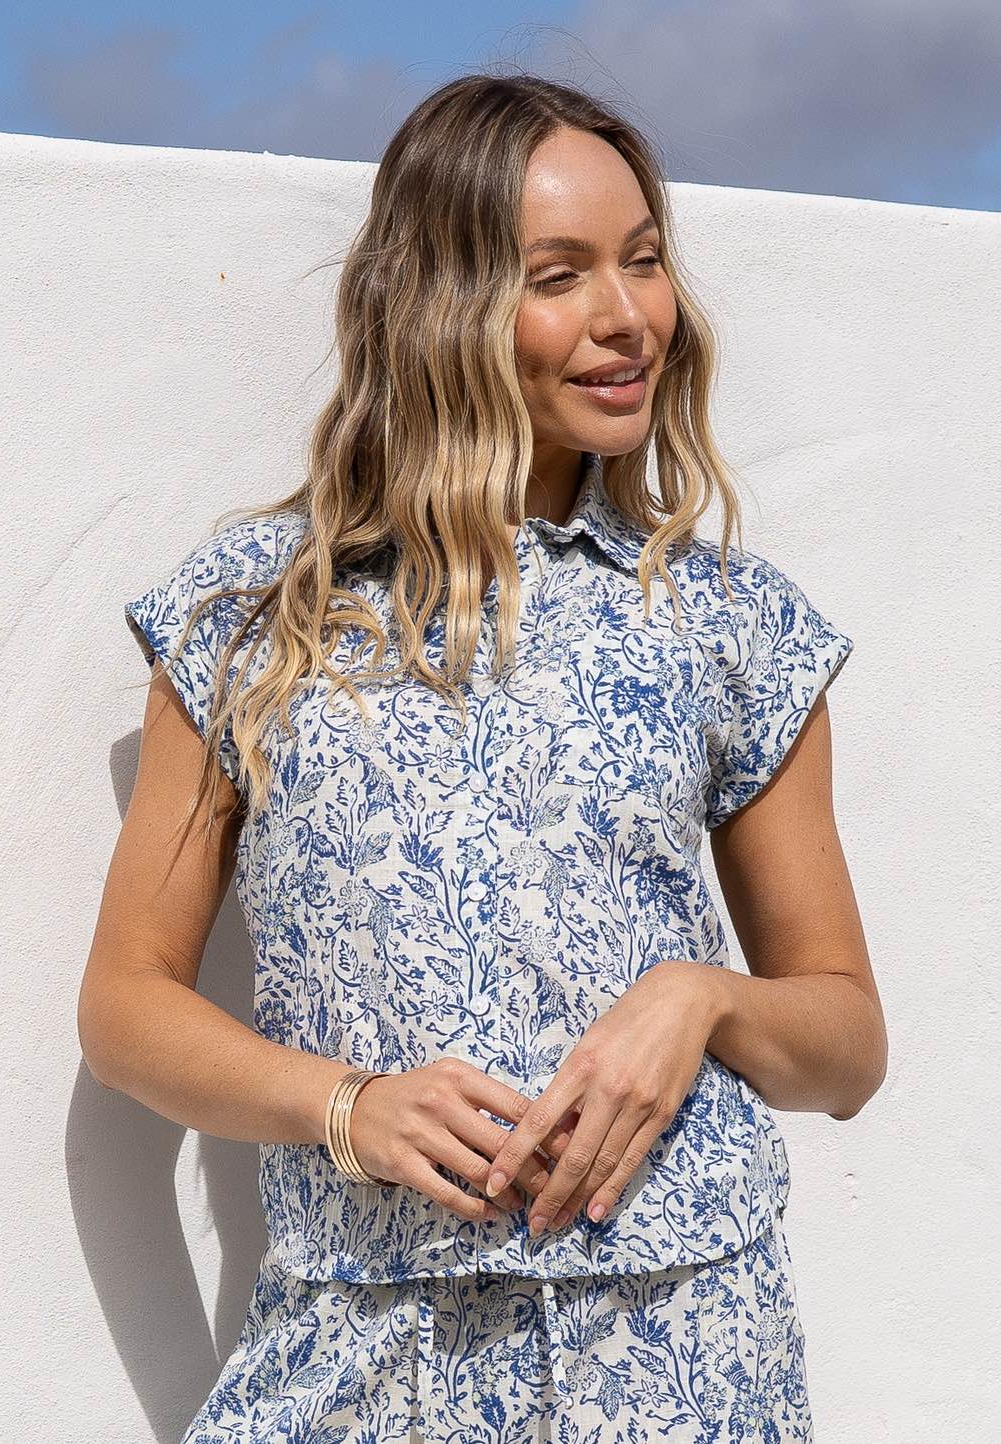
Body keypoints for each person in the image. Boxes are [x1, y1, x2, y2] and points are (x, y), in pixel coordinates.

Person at [79, 72, 888, 1443]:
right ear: (441, 305)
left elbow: (846, 1046)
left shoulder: (732, 625)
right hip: (365, 1341)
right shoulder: (251, 617)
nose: (628, 317)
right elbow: (125, 1007)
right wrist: (341, 1108)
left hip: (681, 1352)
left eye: (643, 261)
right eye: (558, 276)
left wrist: (697, 1002)